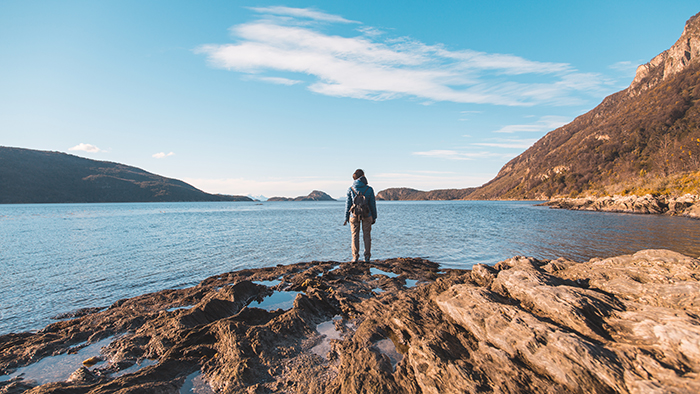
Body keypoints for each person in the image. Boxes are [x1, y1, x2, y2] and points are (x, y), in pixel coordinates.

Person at [343, 169, 377, 262]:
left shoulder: (350, 189)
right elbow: (372, 204)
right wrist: (374, 217)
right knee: (367, 236)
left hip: (354, 215)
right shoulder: (369, 189)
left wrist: (346, 217)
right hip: (367, 214)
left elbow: (348, 204)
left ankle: (355, 257)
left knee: (354, 236)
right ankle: (367, 257)